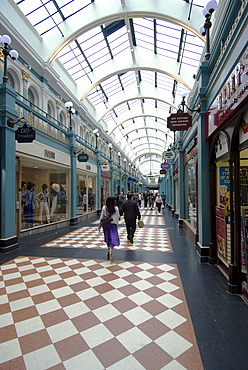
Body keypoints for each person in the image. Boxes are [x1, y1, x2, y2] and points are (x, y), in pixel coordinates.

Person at [99, 196, 120, 262]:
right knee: (113, 237)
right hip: (113, 224)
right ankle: (111, 251)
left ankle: (109, 249)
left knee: (107, 237)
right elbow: (118, 216)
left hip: (106, 225)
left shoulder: (104, 208)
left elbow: (101, 217)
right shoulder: (115, 208)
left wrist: (99, 225)